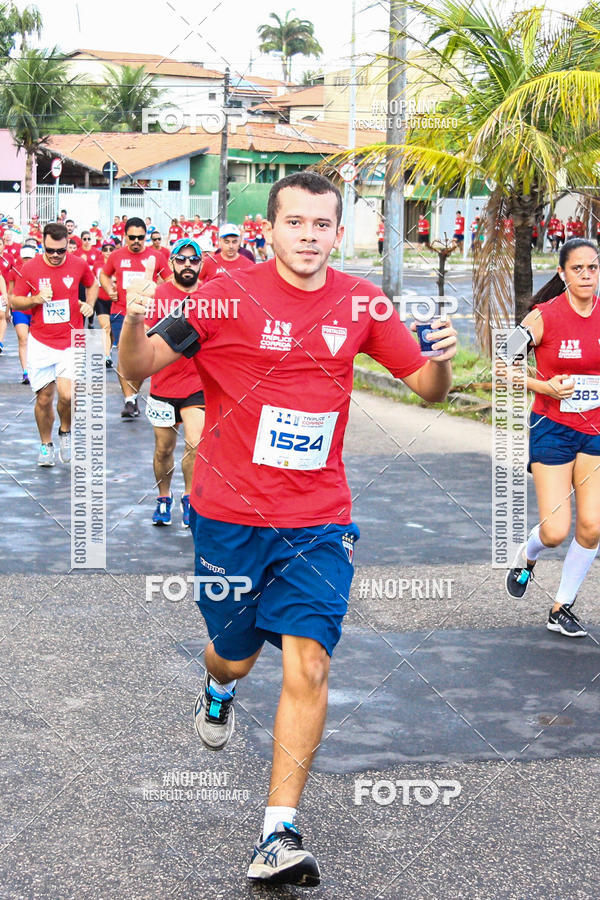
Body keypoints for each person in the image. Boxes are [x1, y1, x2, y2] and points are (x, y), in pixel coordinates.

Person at [119, 171, 457, 886]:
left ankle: (279, 832)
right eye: (295, 223)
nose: (309, 236)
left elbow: (426, 388)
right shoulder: (222, 296)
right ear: (268, 229)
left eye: (322, 224)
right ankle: (218, 686)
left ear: (340, 231)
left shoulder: (362, 301)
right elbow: (144, 367)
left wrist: (445, 358)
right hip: (229, 513)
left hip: (318, 516)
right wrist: (132, 318)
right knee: (234, 656)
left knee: (310, 661)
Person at [504, 238, 600, 638]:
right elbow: (502, 364)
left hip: (595, 430)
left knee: (592, 526)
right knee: (556, 530)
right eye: (577, 269)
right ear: (562, 273)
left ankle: (562, 606)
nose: (586, 275)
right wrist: (543, 387)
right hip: (553, 428)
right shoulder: (543, 317)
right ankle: (527, 556)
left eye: (592, 268)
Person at [10, 222, 97, 465]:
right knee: (45, 398)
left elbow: (92, 284)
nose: (56, 256)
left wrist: (89, 303)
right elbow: (15, 301)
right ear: (43, 245)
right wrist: (36, 299)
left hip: (72, 339)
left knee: (68, 396)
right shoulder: (30, 268)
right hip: (41, 341)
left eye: (61, 251)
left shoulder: (78, 264)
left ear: (67, 246)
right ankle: (46, 444)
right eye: (51, 251)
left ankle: (65, 431)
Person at [143, 238, 205, 527]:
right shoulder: (158, 294)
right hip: (163, 386)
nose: (188, 265)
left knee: (195, 442)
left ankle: (189, 497)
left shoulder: (210, 295)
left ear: (201, 263)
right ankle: (163, 497)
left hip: (197, 384)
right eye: (182, 259)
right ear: (171, 264)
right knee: (163, 449)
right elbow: (146, 339)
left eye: (194, 259)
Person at [100, 217, 167, 418]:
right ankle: (130, 400)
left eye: (140, 237)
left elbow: (170, 279)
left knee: (141, 357)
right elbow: (104, 275)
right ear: (125, 237)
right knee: (124, 355)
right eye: (132, 237)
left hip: (149, 314)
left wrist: (159, 291)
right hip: (121, 312)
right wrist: (108, 288)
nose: (136, 241)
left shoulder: (156, 257)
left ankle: (134, 394)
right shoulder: (116, 256)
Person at [6, 239, 37, 383]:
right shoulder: (14, 272)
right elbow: (10, 293)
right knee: (23, 339)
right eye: (24, 258)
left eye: (29, 258)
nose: (27, 261)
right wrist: (7, 310)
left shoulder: (40, 270)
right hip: (20, 310)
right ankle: (26, 372)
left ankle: (35, 369)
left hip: (37, 310)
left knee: (36, 342)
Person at [93, 242, 116, 367]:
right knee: (105, 327)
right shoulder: (97, 265)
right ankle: (106, 356)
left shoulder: (118, 264)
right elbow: (93, 282)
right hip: (100, 299)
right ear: (101, 251)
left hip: (114, 300)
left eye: (111, 249)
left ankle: (109, 348)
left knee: (111, 330)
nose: (108, 251)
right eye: (105, 249)